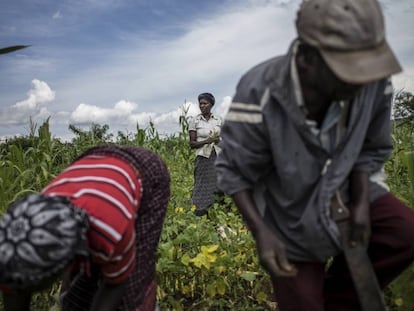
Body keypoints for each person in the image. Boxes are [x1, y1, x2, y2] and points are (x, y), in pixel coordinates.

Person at [215, 0, 414, 310]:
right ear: (307, 57)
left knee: (403, 233)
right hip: (289, 210)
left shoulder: (372, 82)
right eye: (348, 71)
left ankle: (338, 301)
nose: (361, 81)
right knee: (303, 302)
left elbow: (370, 147)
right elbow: (233, 172)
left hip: (349, 184)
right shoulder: (259, 91)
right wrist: (262, 233)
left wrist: (361, 202)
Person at [0, 145, 170, 311]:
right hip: (92, 160)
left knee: (132, 287)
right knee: (76, 293)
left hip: (144, 170)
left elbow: (117, 283)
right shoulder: (10, 250)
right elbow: (14, 290)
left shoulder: (110, 230)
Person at [189, 92, 222, 216]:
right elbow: (192, 144)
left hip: (218, 155)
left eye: (205, 103)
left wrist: (218, 140)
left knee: (219, 183)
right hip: (203, 157)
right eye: (200, 103)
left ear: (211, 105)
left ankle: (217, 210)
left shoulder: (219, 120)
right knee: (202, 184)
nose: (202, 106)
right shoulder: (195, 121)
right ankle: (200, 210)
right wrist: (207, 141)